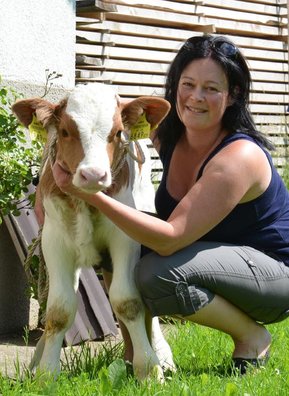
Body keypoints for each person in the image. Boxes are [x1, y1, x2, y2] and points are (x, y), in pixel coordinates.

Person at [50, 34, 289, 374]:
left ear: (233, 94)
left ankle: (252, 336)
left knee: (158, 273)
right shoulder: (166, 136)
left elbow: (171, 237)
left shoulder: (239, 157)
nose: (196, 97)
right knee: (120, 248)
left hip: (272, 275)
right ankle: (135, 353)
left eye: (212, 88)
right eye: (188, 84)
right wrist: (53, 190)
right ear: (175, 85)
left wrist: (91, 195)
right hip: (216, 257)